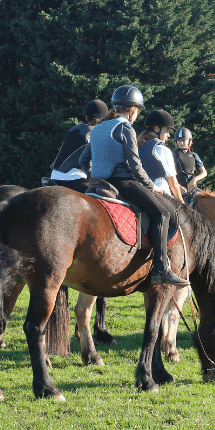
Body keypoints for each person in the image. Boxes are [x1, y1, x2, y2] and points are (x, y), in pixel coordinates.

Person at [79, 85, 189, 287]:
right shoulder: (125, 127)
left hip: (97, 183)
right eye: (137, 111)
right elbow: (136, 165)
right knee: (163, 213)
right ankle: (161, 269)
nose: (137, 115)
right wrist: (150, 186)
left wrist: (92, 177)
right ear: (132, 109)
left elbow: (83, 160)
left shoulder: (99, 127)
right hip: (122, 182)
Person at [47, 99, 108, 193]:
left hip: (54, 177)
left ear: (87, 118)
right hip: (74, 179)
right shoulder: (97, 134)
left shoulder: (74, 129)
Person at [137, 109, 185, 201]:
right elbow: (173, 183)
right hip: (159, 194)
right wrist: (182, 203)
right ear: (157, 129)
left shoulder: (137, 145)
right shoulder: (162, 150)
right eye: (167, 130)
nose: (168, 135)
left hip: (138, 191)